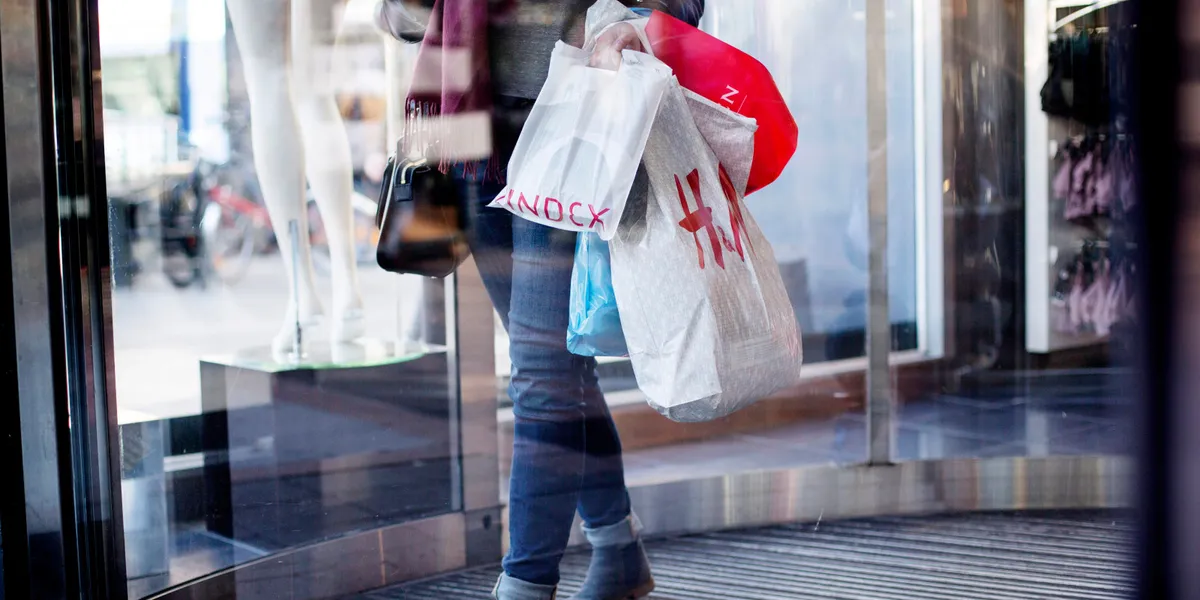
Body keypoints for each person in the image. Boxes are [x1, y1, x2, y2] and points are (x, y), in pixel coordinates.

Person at [378, 1, 704, 599]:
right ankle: (618, 551)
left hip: (571, 117)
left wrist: (633, 20)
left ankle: (525, 585)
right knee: (558, 369)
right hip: (467, 129)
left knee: (541, 375)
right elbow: (398, 14)